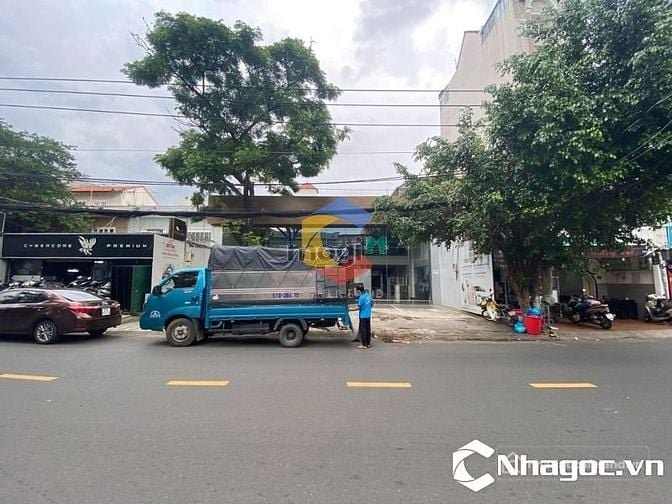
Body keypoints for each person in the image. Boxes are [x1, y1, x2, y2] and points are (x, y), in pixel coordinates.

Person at [355, 284, 373, 349]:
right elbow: (372, 302)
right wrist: (368, 308)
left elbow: (359, 307)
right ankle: (368, 344)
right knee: (368, 330)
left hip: (363, 316)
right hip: (368, 315)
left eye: (357, 291)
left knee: (363, 331)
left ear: (359, 291)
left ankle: (364, 345)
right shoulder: (367, 295)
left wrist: (350, 309)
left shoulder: (361, 297)